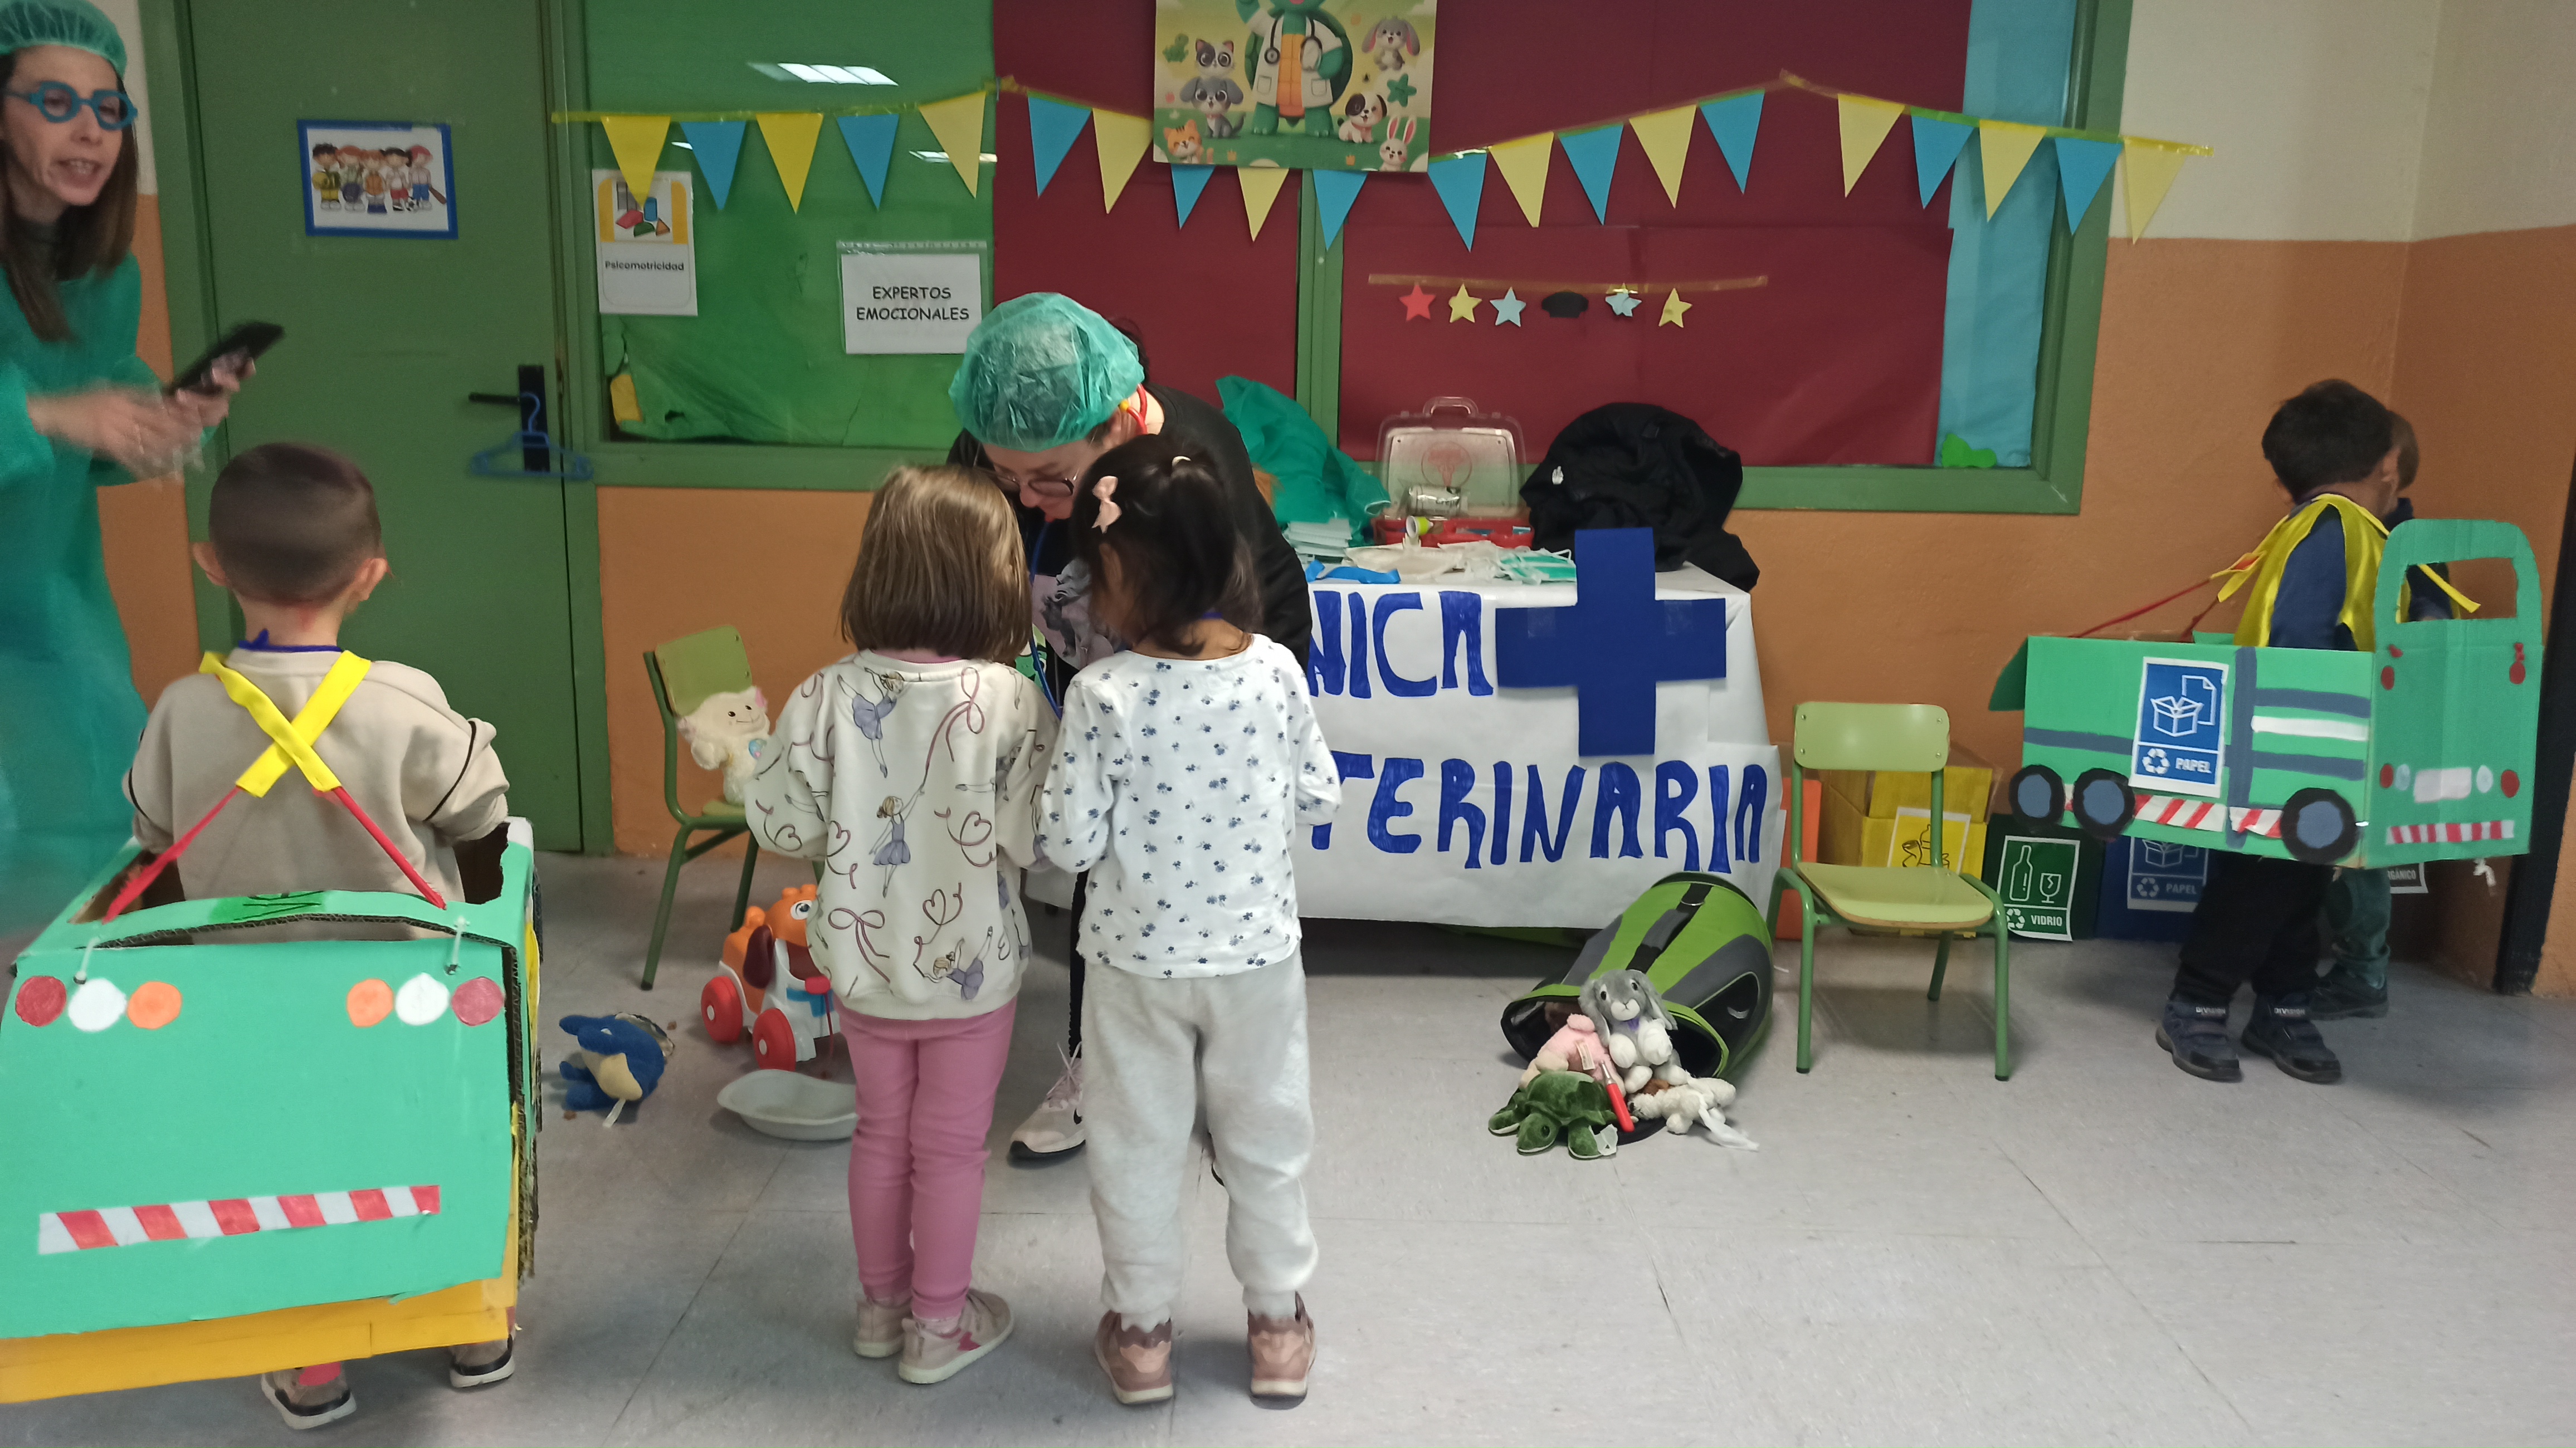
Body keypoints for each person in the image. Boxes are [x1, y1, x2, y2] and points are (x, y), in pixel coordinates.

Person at [120, 443, 513, 1429]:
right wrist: (475, 896)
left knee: (285, 1173)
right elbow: (480, 815)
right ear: (370, 577)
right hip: (399, 999)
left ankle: (313, 1372)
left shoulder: (182, 712)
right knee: (430, 1146)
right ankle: (472, 1334)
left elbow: (152, 841)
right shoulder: (402, 700)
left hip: (246, 1006)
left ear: (212, 564)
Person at [946, 292, 1309, 1162]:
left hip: (1225, 666)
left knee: (1210, 874)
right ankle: (1100, 1069)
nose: (1028, 501)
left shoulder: (1191, 459)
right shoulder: (999, 448)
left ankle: (1235, 1076)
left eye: (1051, 481)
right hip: (1102, 666)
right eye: (1007, 477)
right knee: (1106, 879)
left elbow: (1238, 622)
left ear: (1114, 426)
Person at [1035, 436, 1339, 1405]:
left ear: (1124, 573)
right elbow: (1320, 794)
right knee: (1267, 1136)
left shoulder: (1102, 696)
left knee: (1135, 1147)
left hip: (1133, 967)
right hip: (1256, 960)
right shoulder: (1276, 672)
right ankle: (1277, 1327)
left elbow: (1069, 843)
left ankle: (1141, 1336)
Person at [745, 465, 1053, 1386]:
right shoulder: (1009, 700)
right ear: (993, 580)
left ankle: (880, 1311)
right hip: (974, 972)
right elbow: (1033, 839)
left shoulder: (822, 694)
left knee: (881, 1133)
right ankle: (938, 1327)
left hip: (861, 963)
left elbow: (779, 825)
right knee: (950, 1148)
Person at [0, 0, 247, 921]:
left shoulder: (103, 271)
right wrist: (45, 412)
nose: (90, 130)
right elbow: (67, 413)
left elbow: (107, 406)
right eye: (56, 102)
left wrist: (169, 420)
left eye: (109, 110)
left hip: (50, 607)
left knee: (92, 828)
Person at [2159, 382, 2464, 1085]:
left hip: (2323, 744)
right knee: (2258, 881)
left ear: (2282, 475)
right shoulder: (2335, 530)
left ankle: (2284, 1005)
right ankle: (2197, 1000)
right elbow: (2299, 636)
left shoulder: (2344, 529)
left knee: (2300, 880)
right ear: (2388, 463)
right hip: (2298, 740)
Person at [2314, 412, 2446, 1021]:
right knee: (2313, 844)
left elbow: (2432, 618)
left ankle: (2363, 971)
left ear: (2386, 468)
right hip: (2323, 711)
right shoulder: (2331, 532)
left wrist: (2422, 628)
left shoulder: (2410, 542)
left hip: (2377, 722)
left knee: (2356, 853)